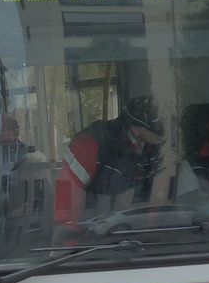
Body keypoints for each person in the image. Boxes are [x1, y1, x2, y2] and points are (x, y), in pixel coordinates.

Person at [53, 96, 164, 241]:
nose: (161, 136)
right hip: (93, 234)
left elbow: (159, 192)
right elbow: (68, 193)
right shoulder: (91, 143)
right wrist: (67, 243)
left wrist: (153, 231)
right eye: (155, 131)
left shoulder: (151, 146)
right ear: (136, 128)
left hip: (135, 233)